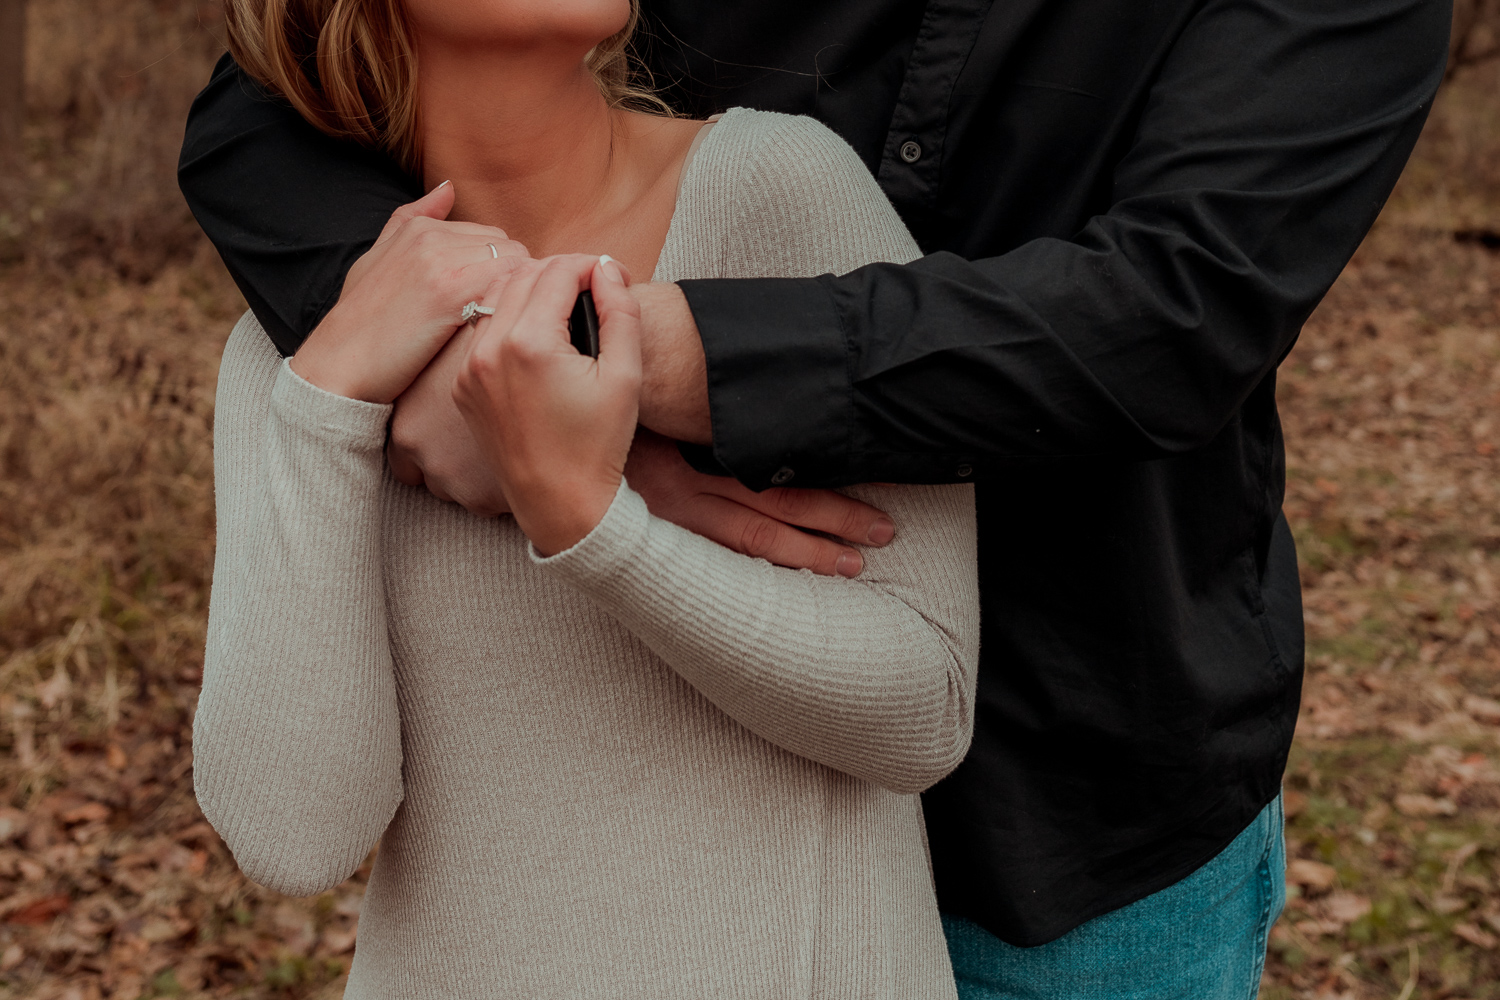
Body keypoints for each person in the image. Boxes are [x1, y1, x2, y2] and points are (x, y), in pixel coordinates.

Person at [180, 0, 1453, 996]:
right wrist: (391, 378)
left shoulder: (776, 188)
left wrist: (626, 410)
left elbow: (1176, 315)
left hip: (1086, 809)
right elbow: (263, 101)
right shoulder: (324, 351)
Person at [193, 0, 983, 995]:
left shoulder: (775, 188)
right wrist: (330, 398)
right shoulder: (297, 348)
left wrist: (594, 526)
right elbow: (292, 838)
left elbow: (926, 713)